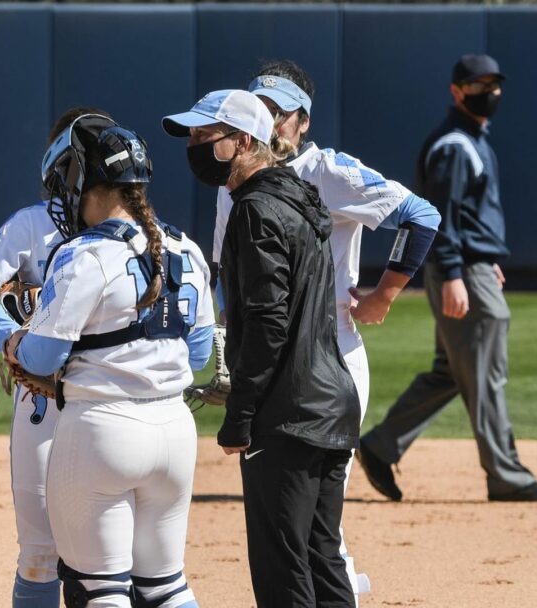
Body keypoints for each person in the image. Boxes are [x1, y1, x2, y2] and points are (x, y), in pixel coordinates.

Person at [208, 60, 441, 598]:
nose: (271, 123)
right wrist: (230, 346)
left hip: (330, 355)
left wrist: (383, 293)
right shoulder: (233, 181)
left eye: (280, 114)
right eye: (260, 112)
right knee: (310, 529)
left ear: (303, 121)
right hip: (271, 363)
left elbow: (421, 215)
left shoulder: (328, 170)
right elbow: (228, 272)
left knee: (314, 532)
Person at [5, 115, 213, 608]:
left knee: (100, 591)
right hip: (175, 432)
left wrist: (15, 343)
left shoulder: (84, 253)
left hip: (101, 430)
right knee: (166, 588)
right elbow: (199, 353)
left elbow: (42, 356)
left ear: (80, 182)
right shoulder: (186, 246)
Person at [163, 89, 360, 608]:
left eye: (207, 136)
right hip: (332, 399)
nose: (195, 145)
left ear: (244, 141)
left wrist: (241, 413)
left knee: (282, 569)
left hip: (288, 412)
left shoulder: (254, 210)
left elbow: (269, 324)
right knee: (321, 556)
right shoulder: (298, 194)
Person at [358, 54, 537, 503]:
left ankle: (379, 445)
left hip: (473, 267)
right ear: (457, 91)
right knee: (485, 372)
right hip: (462, 273)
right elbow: (440, 219)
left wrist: (485, 257)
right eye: (478, 84)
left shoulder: (469, 139)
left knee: (452, 371)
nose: (490, 92)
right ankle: (506, 474)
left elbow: (468, 217)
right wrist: (454, 272)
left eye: (494, 83)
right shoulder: (454, 146)